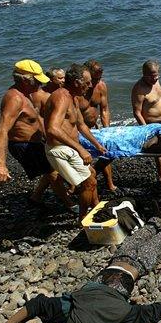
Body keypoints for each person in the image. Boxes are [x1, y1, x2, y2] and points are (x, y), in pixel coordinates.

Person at [0, 217, 161, 323]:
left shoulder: (71, 307)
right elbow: (153, 311)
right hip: (139, 265)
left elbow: (37, 305)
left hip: (118, 260)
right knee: (160, 238)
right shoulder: (117, 317)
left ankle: (158, 216)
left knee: (144, 233)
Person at [0, 60, 73, 210]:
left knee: (51, 168)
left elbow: (36, 119)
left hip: (36, 142)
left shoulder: (26, 94)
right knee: (54, 171)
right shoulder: (14, 98)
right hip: (23, 145)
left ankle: (36, 197)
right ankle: (70, 205)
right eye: (37, 81)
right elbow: (1, 130)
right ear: (25, 80)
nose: (39, 85)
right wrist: (1, 164)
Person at [43, 63, 106, 220]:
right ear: (77, 82)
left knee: (91, 174)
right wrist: (81, 149)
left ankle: (96, 207)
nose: (90, 85)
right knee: (89, 183)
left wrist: (96, 144)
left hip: (69, 148)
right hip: (60, 149)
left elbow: (81, 125)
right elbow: (52, 129)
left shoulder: (73, 98)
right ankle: (83, 219)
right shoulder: (62, 97)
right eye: (87, 82)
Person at [75, 59, 117, 192]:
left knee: (106, 151)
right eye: (93, 79)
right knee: (83, 158)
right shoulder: (78, 91)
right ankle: (77, 186)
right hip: (78, 129)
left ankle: (110, 184)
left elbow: (104, 110)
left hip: (94, 128)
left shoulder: (101, 86)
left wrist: (107, 131)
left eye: (99, 78)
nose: (95, 82)